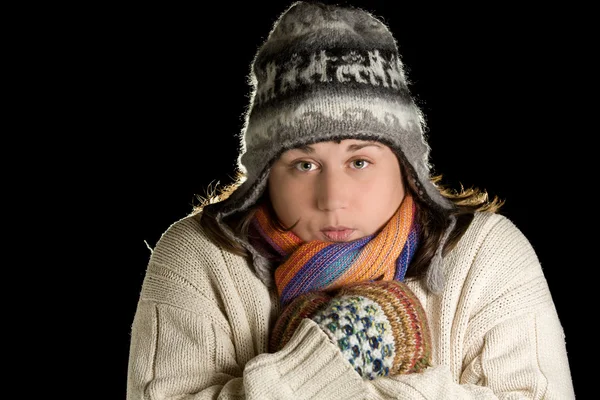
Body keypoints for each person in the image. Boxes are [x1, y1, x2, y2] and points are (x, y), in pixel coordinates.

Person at [126, 1, 575, 398]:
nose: (332, 199)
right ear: (265, 175)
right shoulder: (198, 257)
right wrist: (345, 350)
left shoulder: (487, 254)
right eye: (304, 164)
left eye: (359, 161)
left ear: (406, 166)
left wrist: (302, 378)